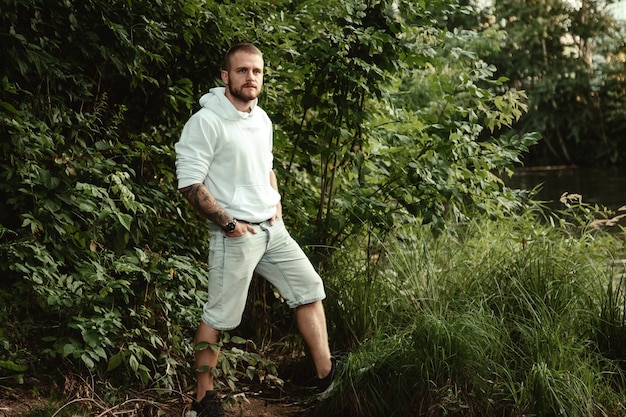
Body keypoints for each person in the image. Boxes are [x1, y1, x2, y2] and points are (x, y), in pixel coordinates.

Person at [175, 43, 335, 417]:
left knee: (310, 289)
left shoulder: (261, 119)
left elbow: (267, 166)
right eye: (243, 70)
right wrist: (229, 224)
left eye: (257, 71)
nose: (251, 77)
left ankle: (327, 378)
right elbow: (189, 185)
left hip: (273, 230)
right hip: (236, 235)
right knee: (219, 316)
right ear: (225, 76)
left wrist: (275, 200)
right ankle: (204, 401)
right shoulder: (206, 122)